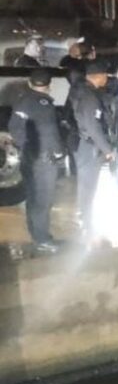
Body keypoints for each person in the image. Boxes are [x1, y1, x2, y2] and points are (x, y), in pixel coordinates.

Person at [9, 69, 64, 253]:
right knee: (43, 200)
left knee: (33, 197)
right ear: (49, 86)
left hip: (29, 158)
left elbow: (14, 128)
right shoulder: (44, 104)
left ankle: (36, 233)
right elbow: (50, 134)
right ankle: (42, 239)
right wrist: (57, 153)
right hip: (44, 160)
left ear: (30, 83)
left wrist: (26, 148)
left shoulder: (23, 101)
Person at [72, 61, 118, 228]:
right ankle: (84, 216)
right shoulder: (89, 96)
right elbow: (93, 126)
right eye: (105, 75)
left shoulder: (85, 91)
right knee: (87, 182)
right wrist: (107, 149)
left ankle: (84, 214)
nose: (107, 78)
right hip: (89, 145)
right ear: (98, 77)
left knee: (87, 182)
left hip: (86, 143)